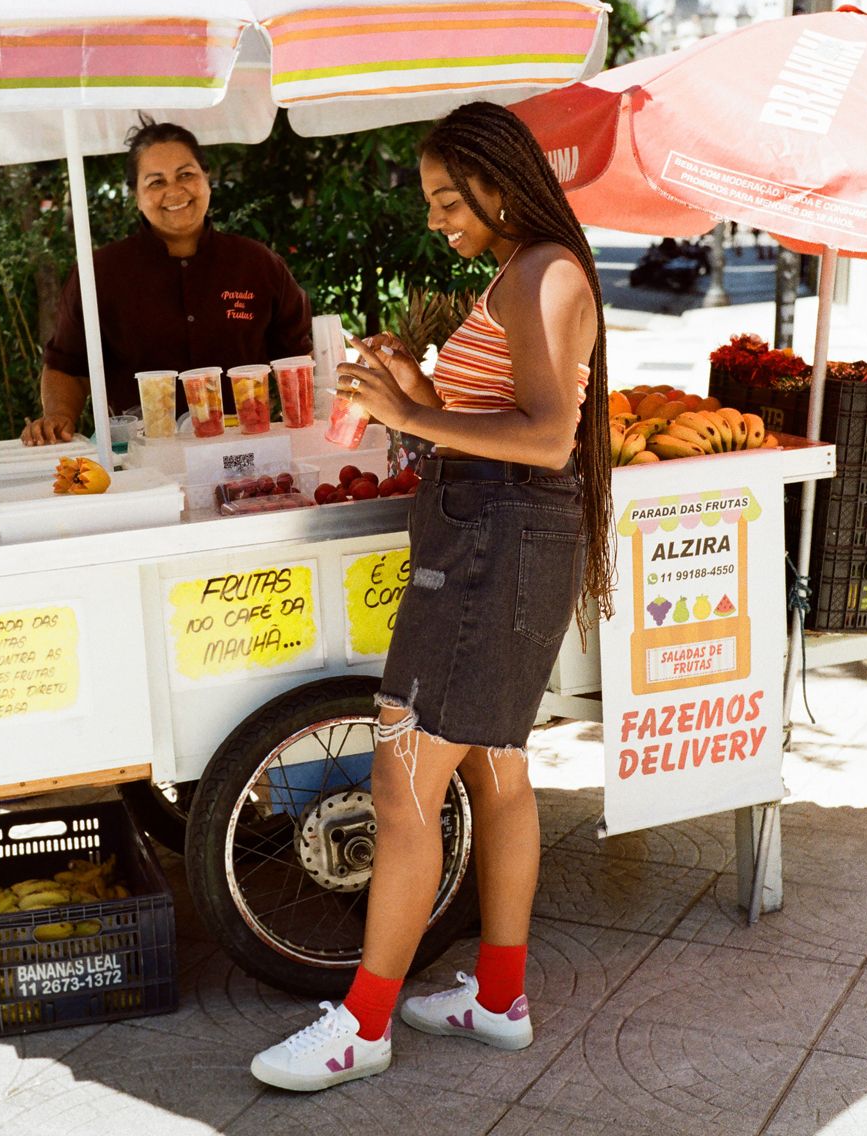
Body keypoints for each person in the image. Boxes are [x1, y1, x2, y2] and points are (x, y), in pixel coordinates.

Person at [250, 102, 614, 1092]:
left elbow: (543, 437)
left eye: (449, 198)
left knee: (402, 780)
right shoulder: (526, 269)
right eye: (430, 201)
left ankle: (362, 1025)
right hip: (501, 537)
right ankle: (497, 997)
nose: (436, 218)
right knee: (494, 768)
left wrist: (411, 410)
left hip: (495, 543)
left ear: (502, 182)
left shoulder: (545, 271)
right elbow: (505, 420)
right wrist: (420, 394)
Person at [21, 118, 312, 445]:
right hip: (141, 455)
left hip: (246, 450)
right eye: (156, 182)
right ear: (135, 195)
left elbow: (299, 359)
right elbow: (67, 366)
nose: (174, 191)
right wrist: (59, 416)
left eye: (186, 174)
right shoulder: (99, 273)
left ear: (207, 179)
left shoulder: (258, 264)